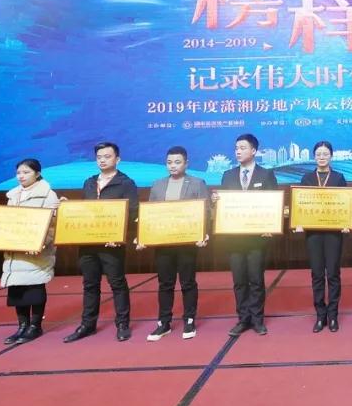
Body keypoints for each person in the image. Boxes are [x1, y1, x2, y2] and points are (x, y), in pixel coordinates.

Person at [63, 142, 139, 343]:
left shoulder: (126, 183)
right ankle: (87, 325)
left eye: (107, 156)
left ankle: (122, 324)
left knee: (117, 283)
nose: (103, 160)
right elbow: (85, 211)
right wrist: (68, 209)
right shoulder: (89, 182)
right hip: (88, 243)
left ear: (117, 159)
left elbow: (133, 213)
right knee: (90, 285)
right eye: (99, 157)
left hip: (112, 243)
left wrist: (119, 235)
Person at [140, 146, 209, 341]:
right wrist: (144, 236)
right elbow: (150, 214)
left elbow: (206, 211)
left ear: (186, 163)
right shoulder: (158, 185)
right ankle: (164, 323)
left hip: (187, 242)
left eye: (177, 162)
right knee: (165, 283)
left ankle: (189, 319)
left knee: (187, 282)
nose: (173, 166)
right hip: (163, 243)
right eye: (169, 162)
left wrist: (203, 234)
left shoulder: (197, 183)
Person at [218, 133, 279, 337]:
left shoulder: (266, 175)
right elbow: (224, 204)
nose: (238, 151)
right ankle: (243, 319)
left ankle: (257, 319)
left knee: (256, 279)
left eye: (243, 148)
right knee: (239, 280)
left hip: (256, 238)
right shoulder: (228, 175)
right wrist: (217, 201)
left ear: (254, 151)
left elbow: (273, 203)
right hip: (234, 238)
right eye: (236, 148)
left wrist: (270, 225)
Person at [0, 159, 59, 345]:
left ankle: (35, 326)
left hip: (36, 252)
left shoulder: (48, 195)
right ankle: (22, 326)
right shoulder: (13, 195)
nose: (21, 176)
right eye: (19, 173)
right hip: (15, 250)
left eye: (26, 172)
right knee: (17, 289)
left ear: (37, 174)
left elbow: (52, 225)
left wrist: (41, 243)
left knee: (35, 288)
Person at [297, 140, 350, 333]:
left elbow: (345, 203)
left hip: (333, 233)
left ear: (331, 156)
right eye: (318, 154)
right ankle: (320, 315)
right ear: (314, 157)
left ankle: (333, 315)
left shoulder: (338, 177)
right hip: (313, 233)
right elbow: (301, 203)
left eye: (325, 154)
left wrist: (346, 222)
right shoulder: (307, 178)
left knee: (333, 273)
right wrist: (299, 222)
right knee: (317, 274)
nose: (322, 157)